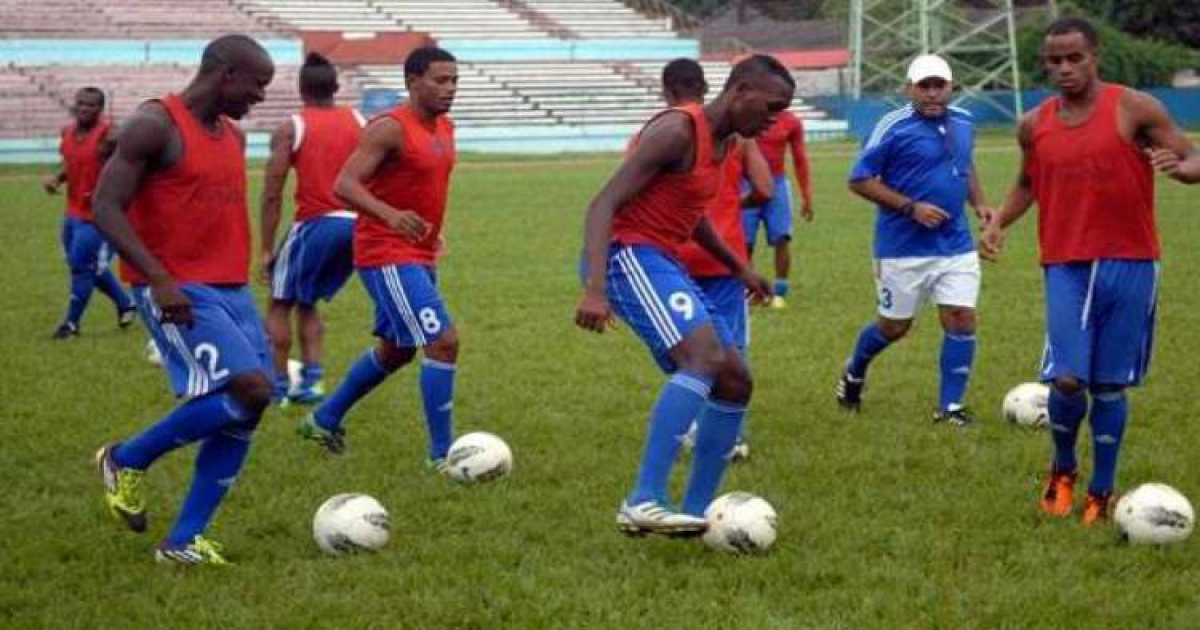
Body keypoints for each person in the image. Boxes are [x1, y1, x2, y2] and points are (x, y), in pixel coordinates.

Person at [981, 17, 1200, 524]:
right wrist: (999, 222)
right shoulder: (1034, 123)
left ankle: (1102, 490)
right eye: (1054, 60)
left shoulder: (1134, 107)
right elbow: (1028, 183)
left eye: (1074, 58)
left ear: (1095, 55)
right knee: (1067, 381)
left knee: (1108, 387)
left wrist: (1179, 168)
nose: (1064, 68)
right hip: (1065, 265)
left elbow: (1192, 159)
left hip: (1131, 263)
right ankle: (1062, 469)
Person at [575, 54, 792, 537]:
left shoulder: (726, 141)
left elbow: (690, 214)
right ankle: (642, 499)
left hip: (662, 259)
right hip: (626, 255)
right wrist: (594, 289)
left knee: (736, 380)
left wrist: (741, 268)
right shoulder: (676, 130)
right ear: (740, 92)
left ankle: (696, 513)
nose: (775, 119)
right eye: (772, 107)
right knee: (704, 356)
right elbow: (603, 202)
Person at [91, 34, 276, 565]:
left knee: (252, 406)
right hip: (175, 286)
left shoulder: (232, 138)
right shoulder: (156, 124)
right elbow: (105, 205)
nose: (259, 98)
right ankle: (126, 459)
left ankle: (183, 541)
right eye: (256, 86)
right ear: (226, 76)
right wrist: (157, 277)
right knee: (251, 387)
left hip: (230, 287)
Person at [296, 47, 460, 470]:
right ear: (412, 81)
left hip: (416, 252)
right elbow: (345, 185)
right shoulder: (389, 128)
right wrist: (392, 217)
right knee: (443, 341)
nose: (450, 89)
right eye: (440, 80)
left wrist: (430, 230)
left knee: (397, 351)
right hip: (385, 253)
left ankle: (323, 419)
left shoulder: (446, 128)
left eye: (454, 81)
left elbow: (420, 186)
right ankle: (442, 456)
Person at [835, 54, 994, 427]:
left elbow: (965, 165)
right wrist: (911, 208)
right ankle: (854, 371)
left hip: (955, 243)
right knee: (894, 327)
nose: (933, 93)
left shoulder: (965, 123)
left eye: (940, 85)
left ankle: (950, 408)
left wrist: (981, 203)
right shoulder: (893, 126)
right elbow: (859, 179)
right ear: (909, 89)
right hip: (901, 247)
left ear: (952, 87)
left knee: (961, 317)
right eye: (925, 86)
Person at [658, 58, 773, 462]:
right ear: (708, 88)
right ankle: (731, 435)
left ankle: (691, 422)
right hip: (723, 254)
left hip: (670, 254)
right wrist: (731, 206)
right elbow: (764, 189)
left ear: (666, 91)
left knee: (684, 345)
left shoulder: (663, 130)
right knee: (731, 345)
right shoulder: (740, 135)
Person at [260, 52, 365, 406]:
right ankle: (313, 382)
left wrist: (266, 248)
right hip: (357, 226)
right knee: (307, 302)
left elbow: (272, 192)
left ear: (301, 88)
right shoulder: (359, 121)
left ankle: (276, 388)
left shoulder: (293, 126)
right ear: (336, 87)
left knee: (278, 302)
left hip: (317, 223)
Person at [44, 87, 136, 339]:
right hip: (73, 212)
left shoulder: (109, 136)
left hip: (99, 215)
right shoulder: (68, 132)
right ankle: (125, 303)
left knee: (81, 267)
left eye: (90, 105)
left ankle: (71, 325)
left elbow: (132, 163)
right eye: (80, 103)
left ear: (100, 109)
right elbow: (71, 162)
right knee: (83, 265)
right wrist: (57, 179)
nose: (84, 108)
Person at [742, 106, 812, 308]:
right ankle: (751, 290)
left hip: (777, 184)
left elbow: (800, 159)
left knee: (782, 237)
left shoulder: (791, 122)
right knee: (745, 242)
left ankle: (780, 291)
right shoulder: (746, 117)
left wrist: (806, 195)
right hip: (746, 182)